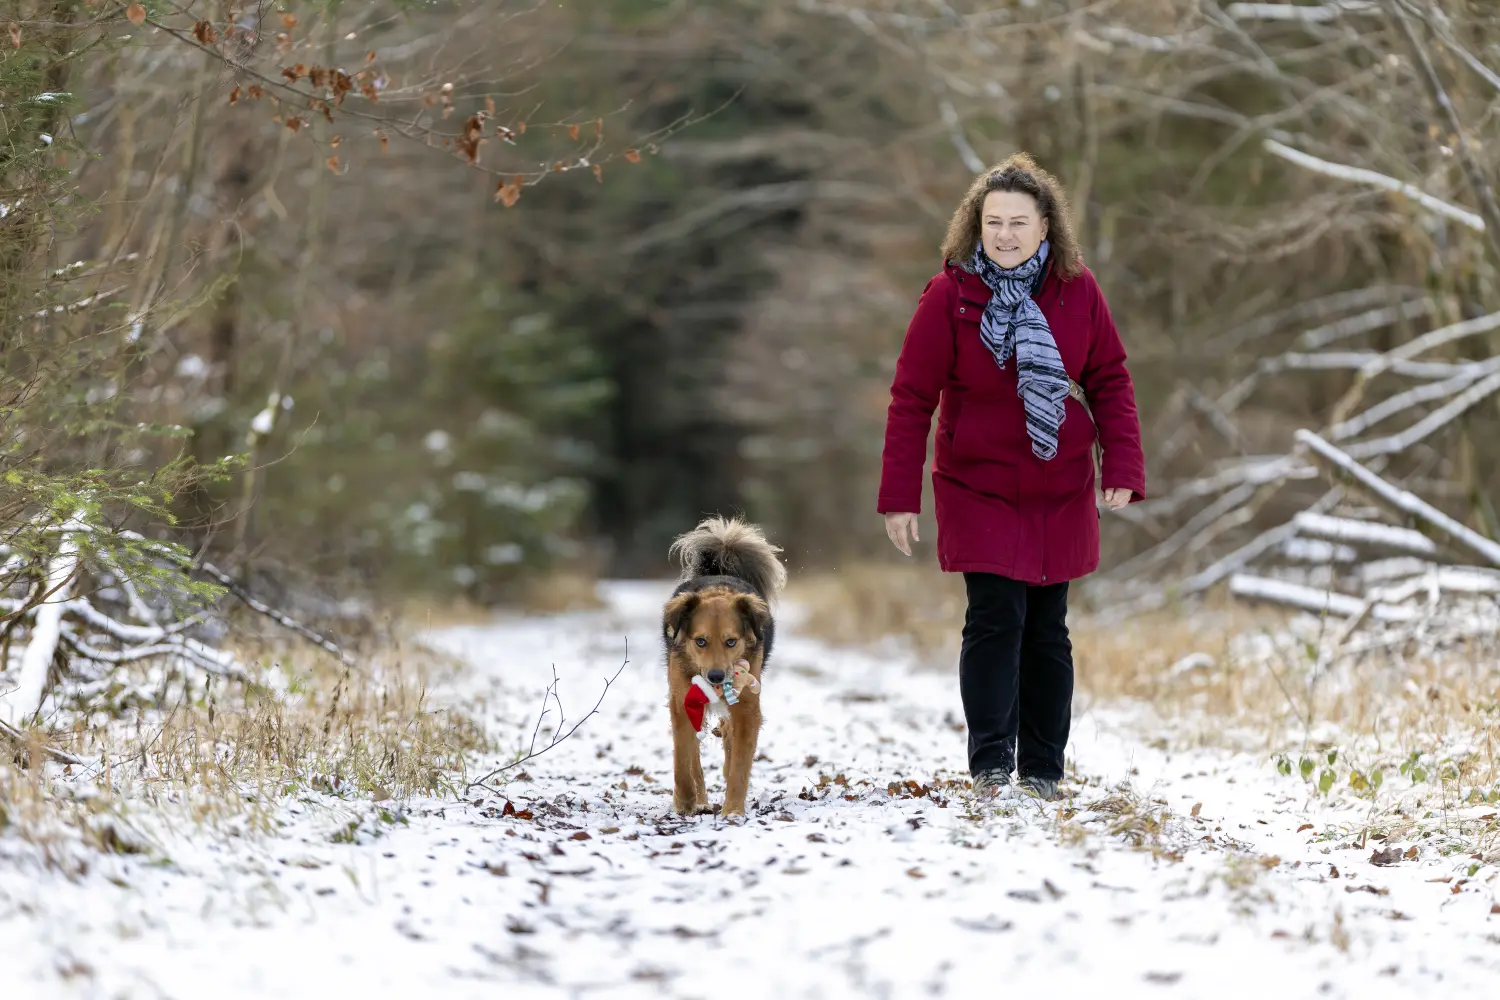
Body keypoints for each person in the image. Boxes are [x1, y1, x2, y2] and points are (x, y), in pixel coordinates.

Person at [877, 153, 1145, 801]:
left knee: (1048, 627)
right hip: (979, 483)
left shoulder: (1077, 290)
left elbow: (1109, 377)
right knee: (996, 616)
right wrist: (898, 498)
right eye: (993, 221)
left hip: (1061, 483)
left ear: (1046, 225)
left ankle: (1045, 770)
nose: (1004, 235)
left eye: (1018, 222)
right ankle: (992, 762)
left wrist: (1124, 464)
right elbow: (912, 396)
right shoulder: (950, 295)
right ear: (976, 225)